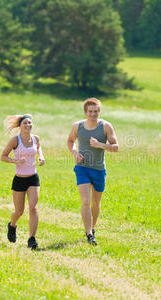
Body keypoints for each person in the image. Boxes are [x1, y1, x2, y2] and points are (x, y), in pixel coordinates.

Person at [67, 98, 118, 245]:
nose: (93, 114)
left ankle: (92, 228)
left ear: (99, 112)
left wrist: (100, 144)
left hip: (98, 169)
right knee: (85, 201)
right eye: (90, 111)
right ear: (85, 112)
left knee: (95, 203)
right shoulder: (78, 126)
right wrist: (75, 154)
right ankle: (89, 234)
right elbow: (70, 141)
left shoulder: (106, 127)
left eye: (95, 111)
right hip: (82, 168)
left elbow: (116, 147)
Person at [1, 114, 45, 250]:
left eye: (30, 123)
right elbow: (3, 156)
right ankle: (12, 225)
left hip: (33, 177)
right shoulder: (15, 140)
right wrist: (16, 161)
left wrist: (41, 157)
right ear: (20, 126)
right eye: (25, 123)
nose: (28, 125)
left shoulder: (35, 138)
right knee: (19, 211)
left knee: (34, 208)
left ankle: (32, 239)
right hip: (19, 179)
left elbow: (38, 149)